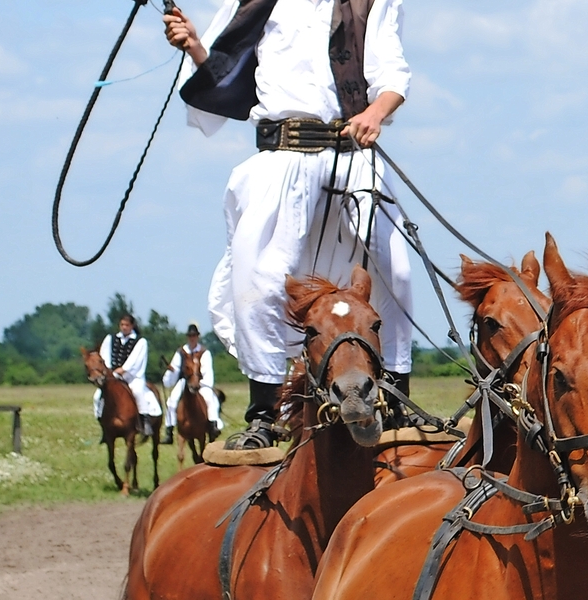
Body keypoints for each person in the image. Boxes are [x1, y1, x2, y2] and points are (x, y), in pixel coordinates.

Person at [161, 0, 416, 450]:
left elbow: (392, 76)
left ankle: (395, 398)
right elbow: (233, 87)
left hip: (353, 155)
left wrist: (375, 112)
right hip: (282, 158)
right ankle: (265, 412)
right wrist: (197, 48)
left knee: (394, 270)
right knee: (258, 280)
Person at [95, 314, 163, 440]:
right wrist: (110, 371)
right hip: (113, 375)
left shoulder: (140, 342)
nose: (124, 327)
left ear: (132, 326)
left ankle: (145, 422)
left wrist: (123, 370)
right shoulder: (110, 338)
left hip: (133, 376)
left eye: (127, 325)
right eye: (122, 325)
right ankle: (104, 426)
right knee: (98, 396)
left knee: (138, 392)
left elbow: (134, 361)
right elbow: (104, 356)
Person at [160, 324, 223, 444]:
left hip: (201, 382)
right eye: (190, 336)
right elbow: (175, 368)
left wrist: (202, 384)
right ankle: (169, 431)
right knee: (171, 401)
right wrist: (170, 374)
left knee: (210, 399)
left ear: (197, 336)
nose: (192, 338)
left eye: (194, 335)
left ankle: (213, 425)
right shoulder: (181, 352)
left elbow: (207, 371)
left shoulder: (204, 352)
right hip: (185, 382)